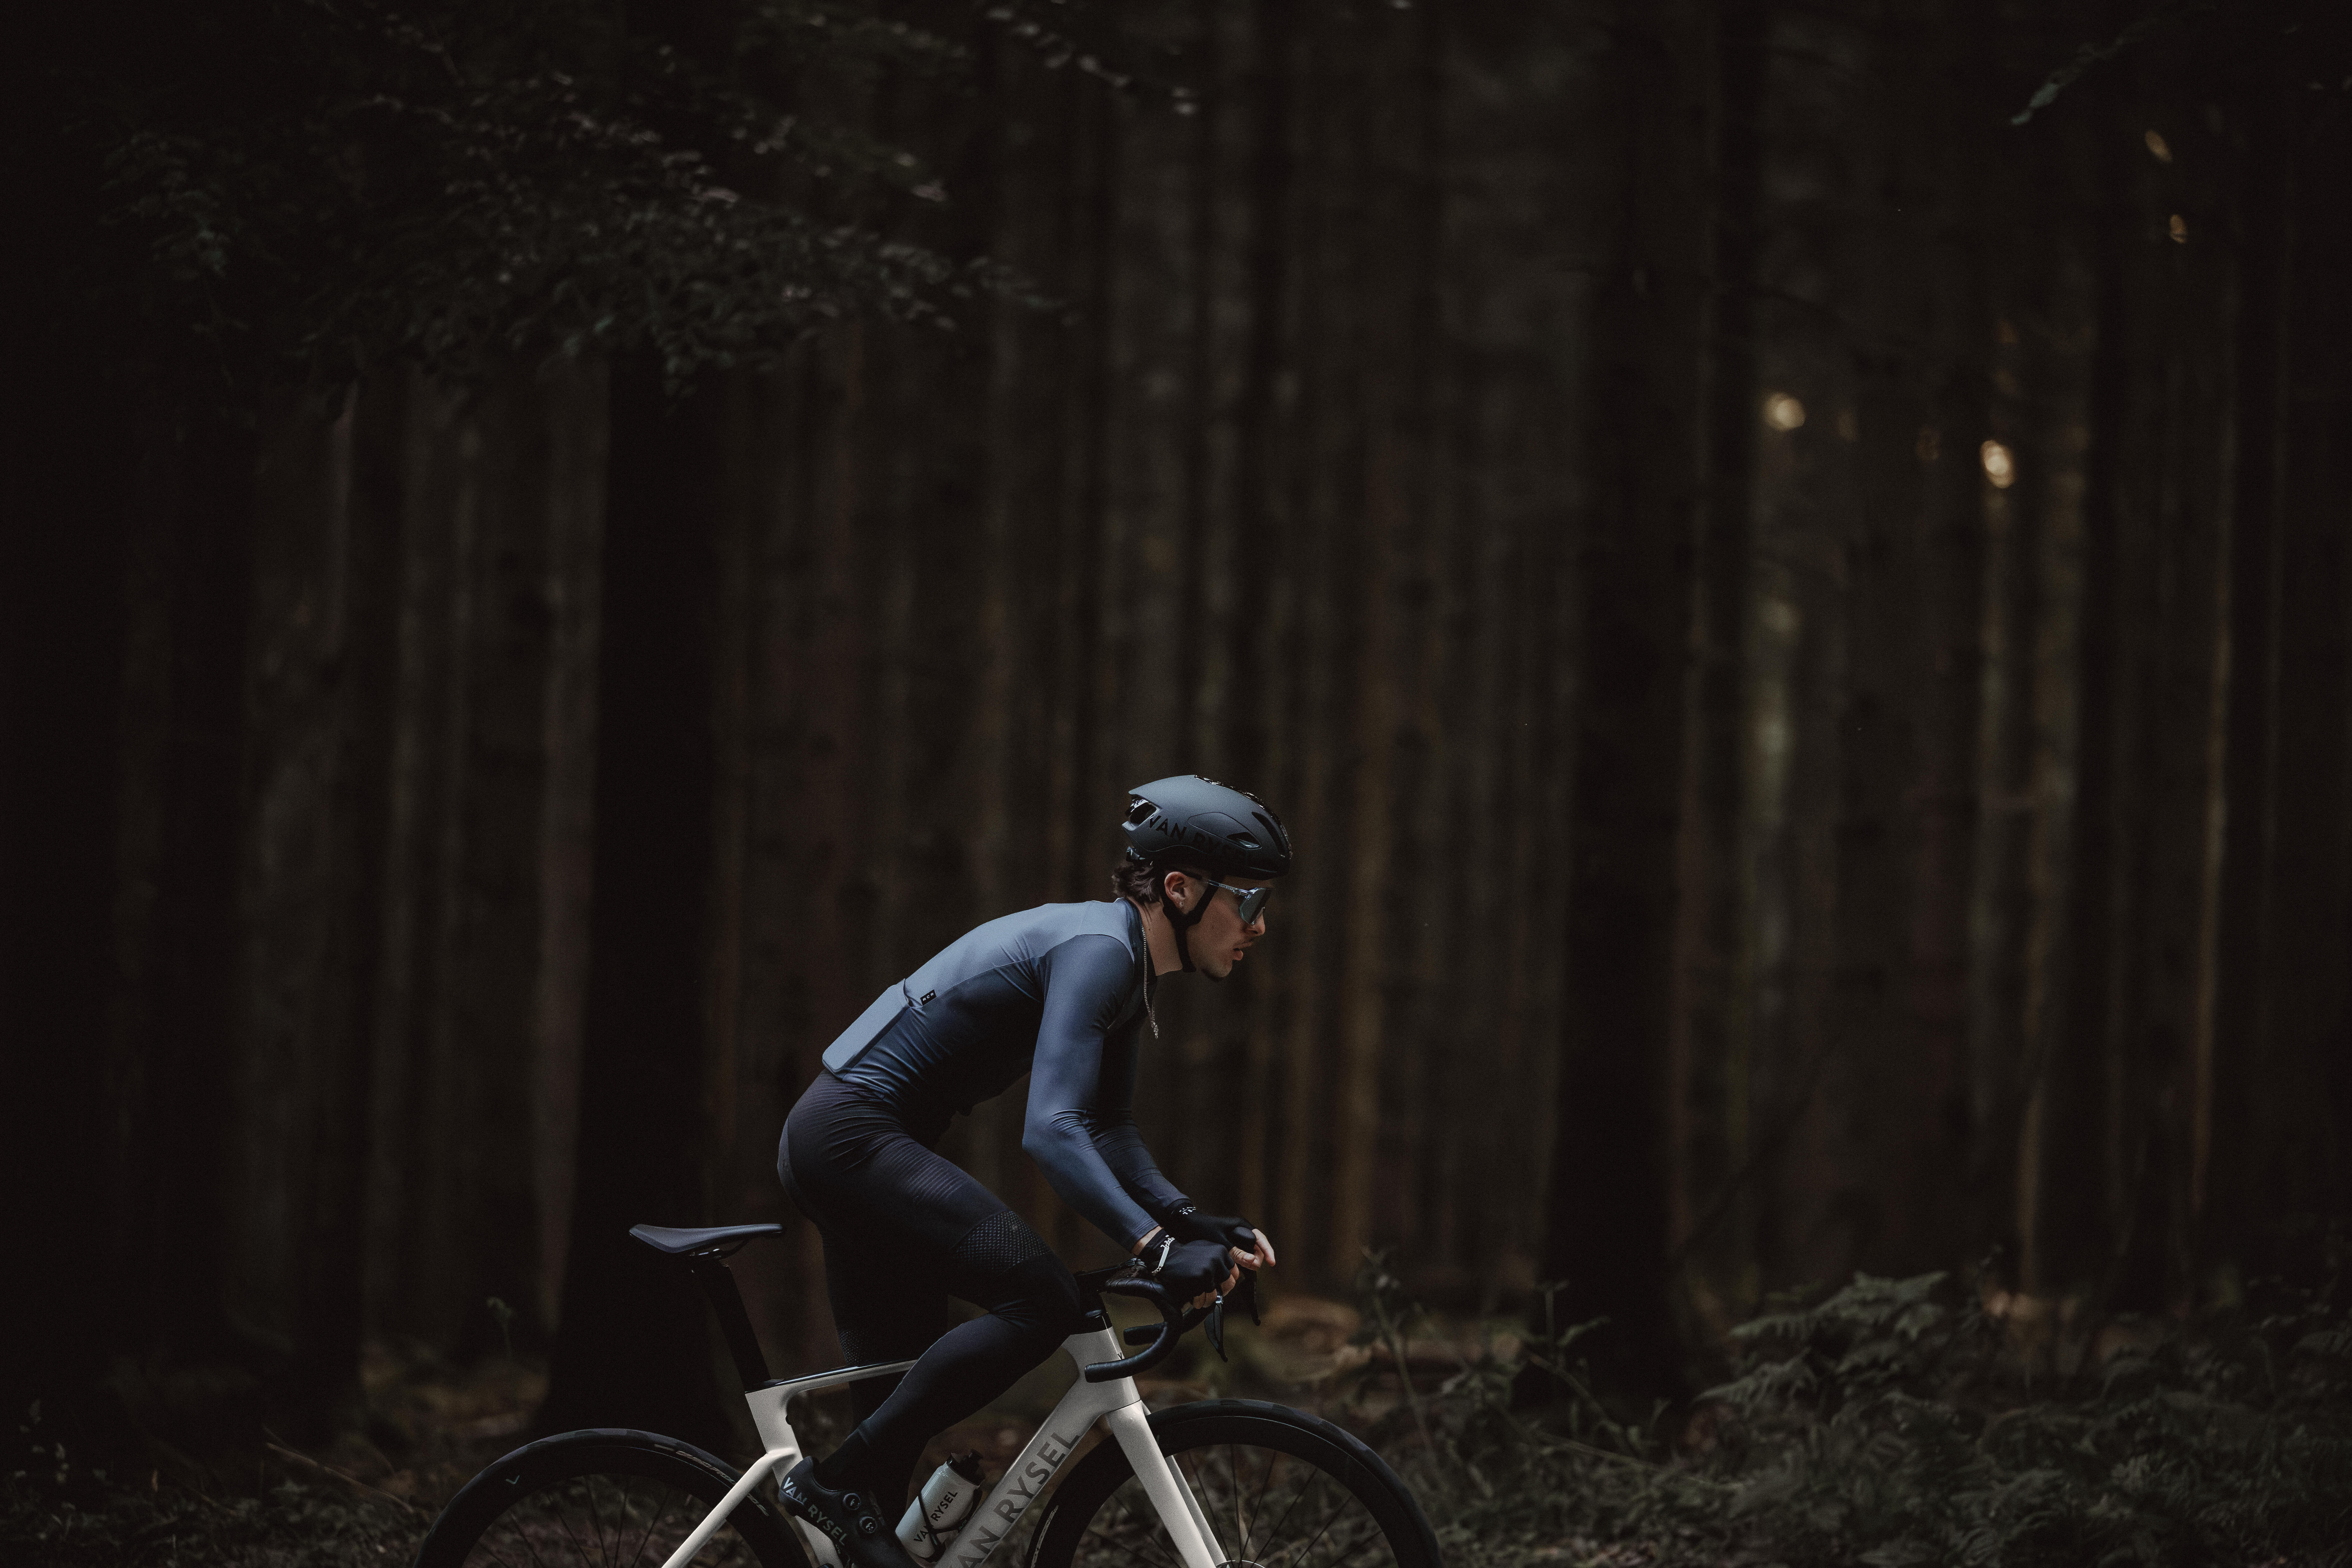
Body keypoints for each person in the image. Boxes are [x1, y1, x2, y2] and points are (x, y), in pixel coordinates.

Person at [773, 775, 1291, 1568]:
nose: (1260, 926)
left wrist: (1186, 1219)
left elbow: (1107, 1128)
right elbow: (1051, 1130)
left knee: (893, 1419)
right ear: (1182, 890)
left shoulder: (1125, 965)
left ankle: (849, 1500)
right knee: (1041, 1298)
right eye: (1249, 902)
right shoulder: (1100, 954)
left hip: (861, 1142)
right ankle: (833, 1482)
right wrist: (1155, 1246)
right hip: (851, 1139)